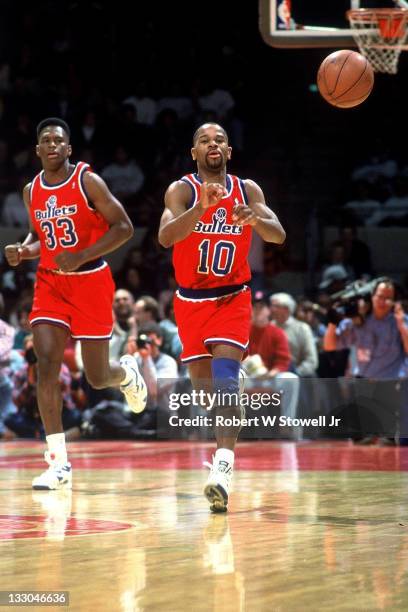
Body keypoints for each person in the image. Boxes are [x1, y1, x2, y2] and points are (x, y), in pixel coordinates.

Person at [4, 117, 147, 490]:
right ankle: (58, 462)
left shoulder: (87, 180)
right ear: (38, 150)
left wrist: (82, 255)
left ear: (68, 148)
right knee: (46, 363)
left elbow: (124, 228)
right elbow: (43, 241)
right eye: (46, 141)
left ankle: (127, 374)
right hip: (51, 284)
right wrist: (25, 250)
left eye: (58, 140)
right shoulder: (31, 190)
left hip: (90, 282)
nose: (52, 145)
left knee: (98, 377)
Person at [158, 122, 286, 512]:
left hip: (233, 298)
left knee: (226, 379)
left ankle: (223, 468)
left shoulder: (248, 190)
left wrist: (255, 220)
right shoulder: (182, 190)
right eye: (204, 141)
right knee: (205, 394)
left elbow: (278, 234)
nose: (212, 145)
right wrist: (201, 210)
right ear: (193, 152)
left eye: (219, 140)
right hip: (191, 301)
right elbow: (165, 237)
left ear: (229, 151)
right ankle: (224, 425)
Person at [323, 278, 408, 444]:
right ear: (372, 296)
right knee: (359, 439)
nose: (383, 301)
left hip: (391, 385)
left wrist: (401, 324)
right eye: (380, 296)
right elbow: (329, 346)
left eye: (388, 298)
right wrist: (332, 323)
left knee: (389, 440)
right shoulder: (358, 320)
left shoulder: (398, 321)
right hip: (364, 385)